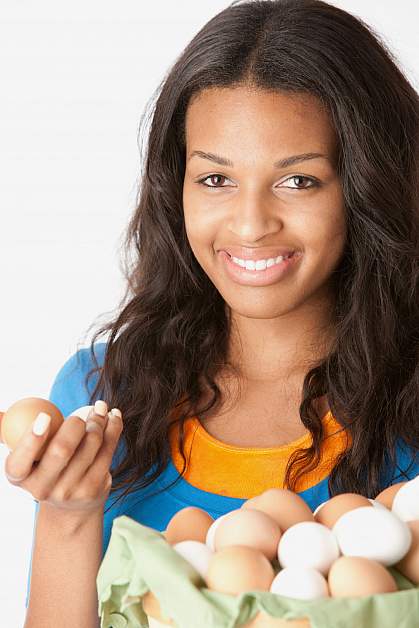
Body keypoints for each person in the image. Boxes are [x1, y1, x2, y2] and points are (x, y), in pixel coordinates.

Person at [2, 0, 418, 625]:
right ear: (176, 188)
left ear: (366, 186)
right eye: (216, 180)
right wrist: (68, 517)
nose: (250, 224)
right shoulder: (103, 395)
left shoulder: (410, 396)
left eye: (298, 180)